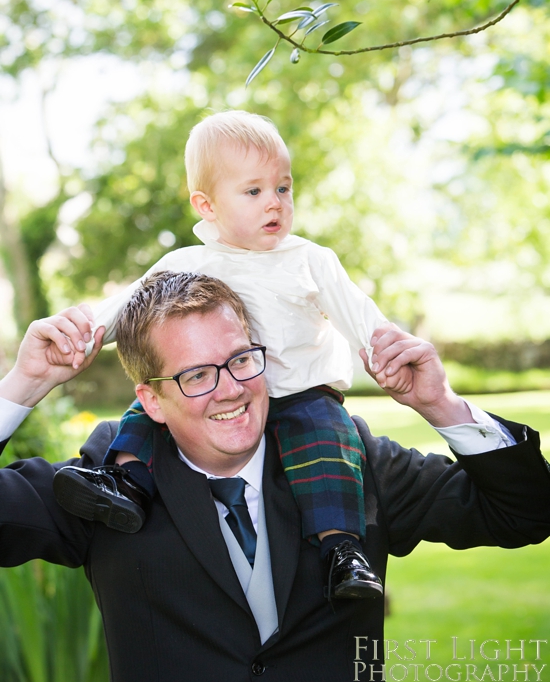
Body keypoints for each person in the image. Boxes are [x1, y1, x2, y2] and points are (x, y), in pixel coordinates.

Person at [1, 271, 549, 682]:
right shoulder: (107, 480)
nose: (231, 388)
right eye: (196, 374)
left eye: (242, 359)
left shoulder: (348, 459)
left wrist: (440, 404)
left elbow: (524, 512)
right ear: (152, 400)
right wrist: (22, 385)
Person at [55, 109, 392, 599]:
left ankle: (342, 551)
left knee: (330, 447)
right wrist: (82, 333)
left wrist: (389, 351)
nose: (274, 202)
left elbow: (361, 316)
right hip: (212, 389)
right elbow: (127, 305)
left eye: (283, 187)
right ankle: (126, 482)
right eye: (253, 191)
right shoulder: (187, 263)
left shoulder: (309, 260)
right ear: (206, 205)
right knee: (150, 408)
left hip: (301, 394)